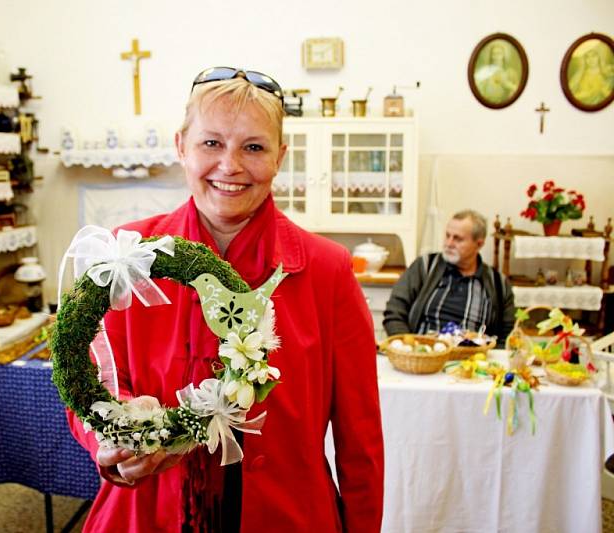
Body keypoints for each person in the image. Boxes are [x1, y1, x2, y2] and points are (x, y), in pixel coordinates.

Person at [66, 67, 384, 532]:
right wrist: (111, 440)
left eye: (253, 147)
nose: (230, 166)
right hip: (150, 513)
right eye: (211, 143)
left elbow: (361, 441)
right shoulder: (124, 252)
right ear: (181, 147)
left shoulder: (328, 271)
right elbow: (90, 383)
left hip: (288, 514)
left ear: (280, 157)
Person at [383, 209, 516, 340]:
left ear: (479, 244)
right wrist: (407, 347)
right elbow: (394, 312)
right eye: (447, 235)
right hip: (423, 354)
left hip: (472, 358)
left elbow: (507, 335)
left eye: (458, 239)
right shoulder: (426, 266)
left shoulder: (498, 283)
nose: (448, 243)